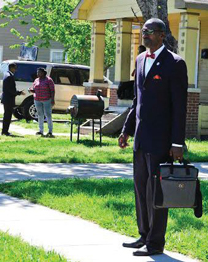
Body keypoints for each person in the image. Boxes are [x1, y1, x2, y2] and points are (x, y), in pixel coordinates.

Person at [118, 18, 188, 256]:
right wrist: (127, 130)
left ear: (162, 35)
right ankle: (143, 235)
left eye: (149, 31)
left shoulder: (175, 63)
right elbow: (138, 101)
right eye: (143, 31)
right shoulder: (139, 60)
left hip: (162, 142)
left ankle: (156, 243)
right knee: (141, 189)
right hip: (141, 139)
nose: (144, 34)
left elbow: (179, 106)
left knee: (157, 192)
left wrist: (177, 143)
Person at [29, 67, 55, 137]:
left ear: (43, 73)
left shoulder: (49, 80)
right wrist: (31, 90)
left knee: (48, 115)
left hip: (47, 100)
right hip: (37, 100)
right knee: (40, 115)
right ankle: (41, 130)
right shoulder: (36, 80)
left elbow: (52, 90)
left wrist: (52, 99)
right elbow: (34, 89)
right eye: (37, 72)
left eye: (39, 72)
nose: (38, 74)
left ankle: (50, 131)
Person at [1, 63, 24, 136]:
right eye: (15, 68)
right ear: (11, 68)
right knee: (8, 116)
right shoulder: (9, 77)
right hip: (9, 99)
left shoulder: (6, 74)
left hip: (6, 99)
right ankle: (5, 131)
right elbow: (10, 90)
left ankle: (4, 131)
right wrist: (19, 92)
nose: (15, 70)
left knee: (7, 115)